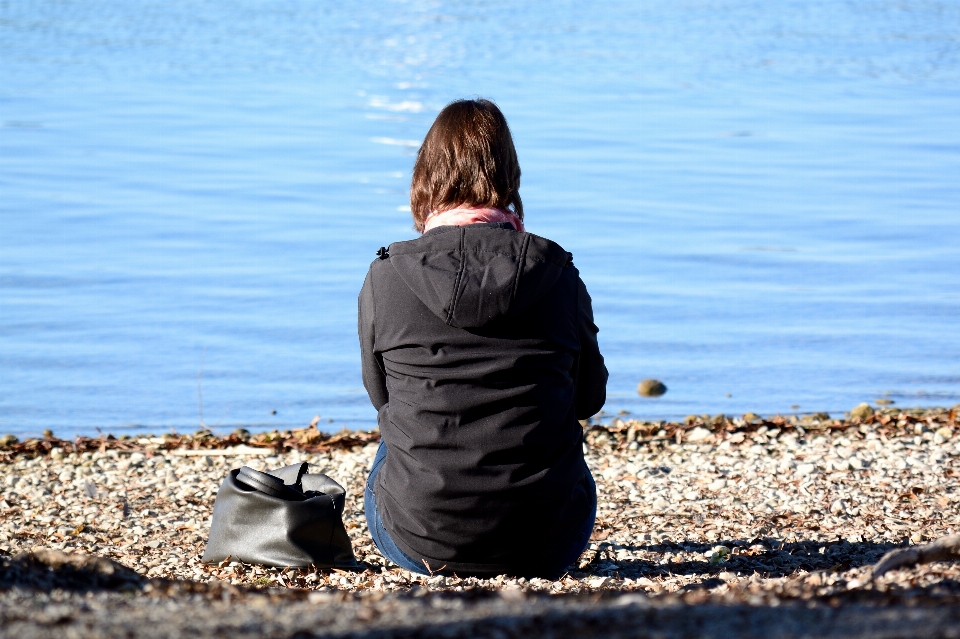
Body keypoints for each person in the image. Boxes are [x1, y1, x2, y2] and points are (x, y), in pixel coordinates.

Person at [358, 98, 607, 578]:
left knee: (399, 429)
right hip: (549, 542)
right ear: (509, 175)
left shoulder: (386, 276)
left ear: (425, 177)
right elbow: (589, 398)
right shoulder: (557, 273)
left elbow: (380, 396)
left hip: (418, 541)